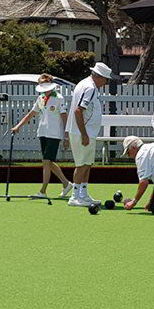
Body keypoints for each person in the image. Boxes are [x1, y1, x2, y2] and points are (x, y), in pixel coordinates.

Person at [11, 74, 72, 199]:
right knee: (48, 162)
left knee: (45, 162)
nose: (44, 90)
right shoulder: (41, 98)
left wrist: (66, 137)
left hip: (54, 134)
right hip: (43, 133)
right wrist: (18, 126)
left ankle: (43, 192)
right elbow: (31, 113)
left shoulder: (59, 98)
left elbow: (65, 118)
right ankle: (66, 184)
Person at [65, 62, 117, 206]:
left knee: (87, 164)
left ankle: (84, 194)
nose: (106, 82)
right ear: (99, 77)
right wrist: (84, 134)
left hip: (87, 132)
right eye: (106, 79)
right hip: (83, 132)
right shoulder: (89, 88)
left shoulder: (86, 85)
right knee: (81, 165)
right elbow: (78, 111)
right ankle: (75, 197)